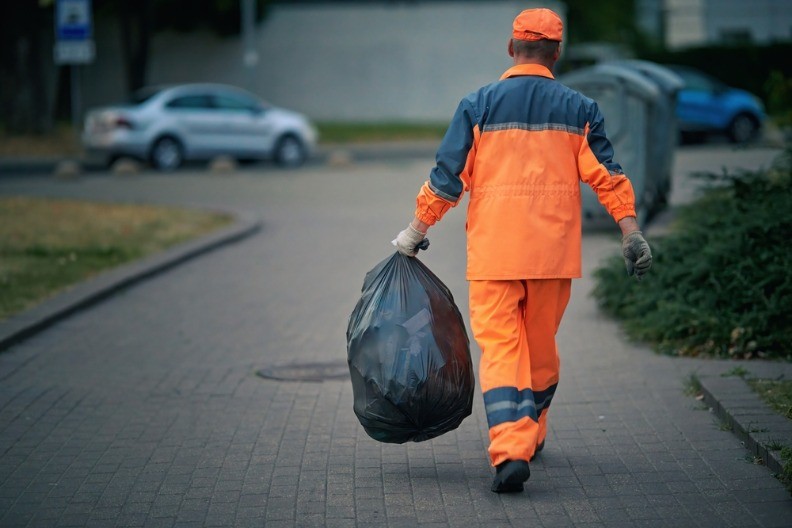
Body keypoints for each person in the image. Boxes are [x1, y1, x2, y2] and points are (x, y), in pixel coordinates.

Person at [393, 7, 652, 493]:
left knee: (501, 350)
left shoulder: (478, 105)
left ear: (511, 49)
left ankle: (511, 448)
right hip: (553, 258)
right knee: (539, 351)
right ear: (557, 53)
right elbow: (608, 176)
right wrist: (630, 230)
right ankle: (530, 431)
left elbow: (447, 179)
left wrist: (414, 231)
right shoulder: (581, 110)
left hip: (494, 254)